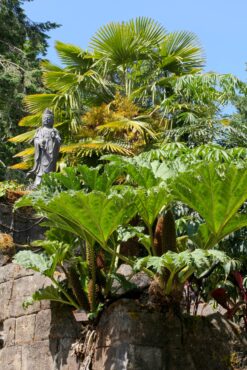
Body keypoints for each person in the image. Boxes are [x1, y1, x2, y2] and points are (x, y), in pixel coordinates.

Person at [28, 108, 61, 187]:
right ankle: (38, 183)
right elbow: (35, 140)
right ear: (42, 120)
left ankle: (50, 184)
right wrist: (39, 143)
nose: (46, 120)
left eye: (48, 119)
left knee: (50, 171)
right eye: (45, 119)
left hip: (51, 155)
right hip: (42, 154)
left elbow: (59, 141)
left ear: (52, 120)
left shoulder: (54, 130)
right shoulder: (40, 130)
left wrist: (54, 139)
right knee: (40, 171)